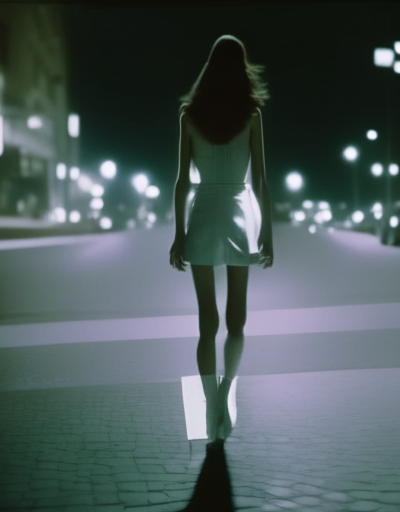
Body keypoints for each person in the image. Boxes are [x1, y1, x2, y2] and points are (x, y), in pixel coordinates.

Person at [169, 35, 273, 441]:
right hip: (238, 213)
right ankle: (228, 393)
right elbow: (261, 179)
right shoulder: (253, 114)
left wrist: (178, 233)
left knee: (206, 322)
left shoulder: (189, 115)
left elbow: (181, 180)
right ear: (241, 66)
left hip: (202, 213)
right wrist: (267, 231)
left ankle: (210, 403)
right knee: (237, 321)